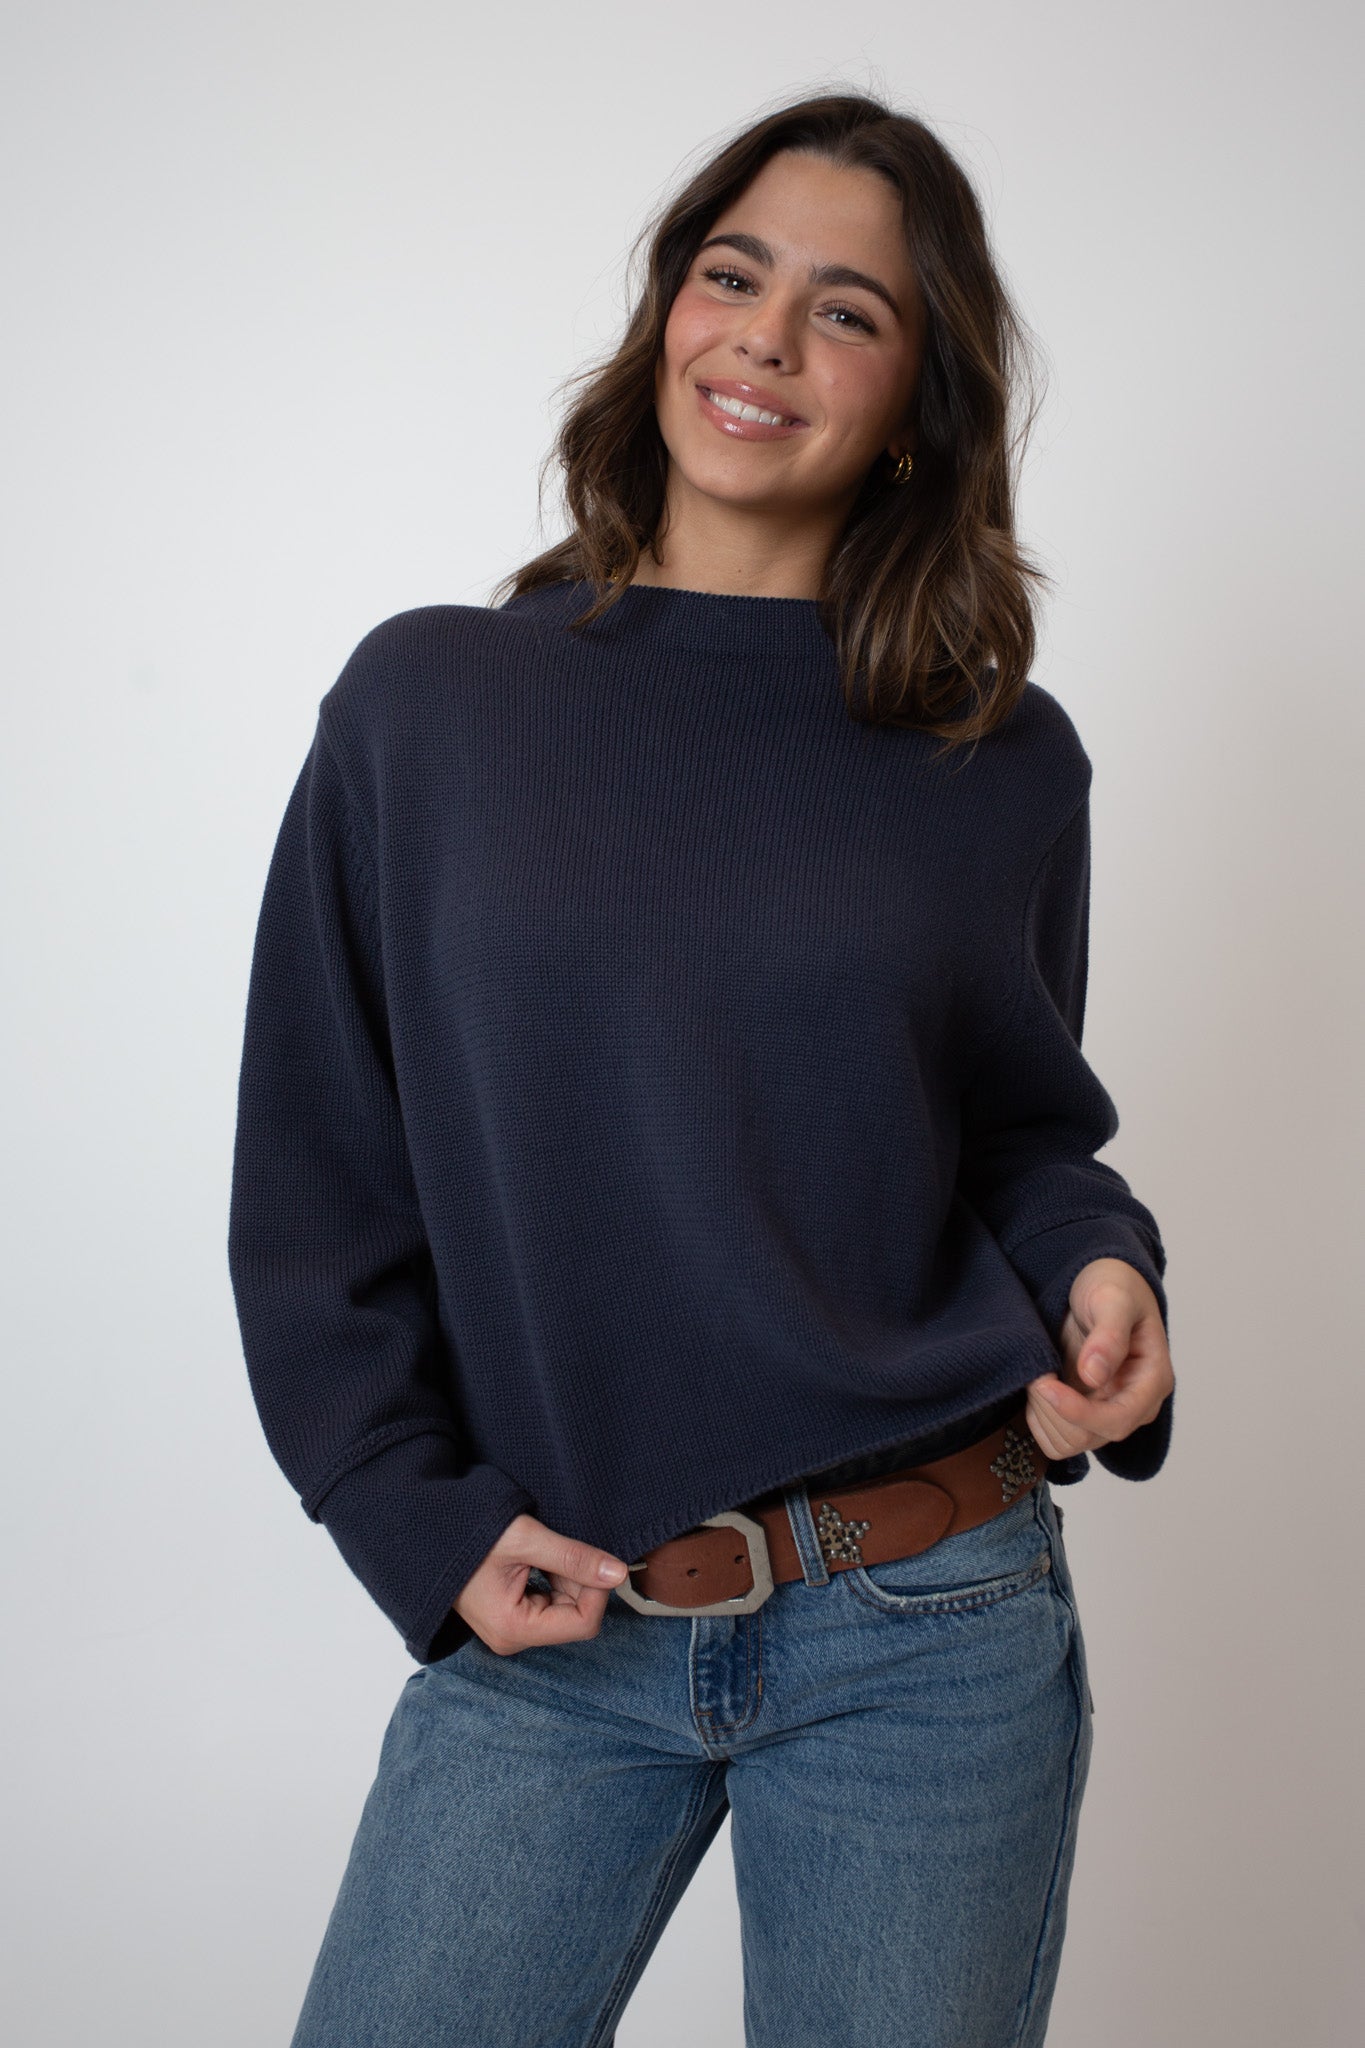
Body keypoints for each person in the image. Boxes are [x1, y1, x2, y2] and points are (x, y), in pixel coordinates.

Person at [228, 89, 1175, 2048]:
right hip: (559, 1607)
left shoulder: (991, 760)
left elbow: (1015, 1129)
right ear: (666, 307)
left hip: (929, 1613)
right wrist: (407, 1508)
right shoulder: (430, 703)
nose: (759, 335)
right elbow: (318, 1173)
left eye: (843, 309)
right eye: (729, 273)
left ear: (913, 400)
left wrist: (1101, 1268)